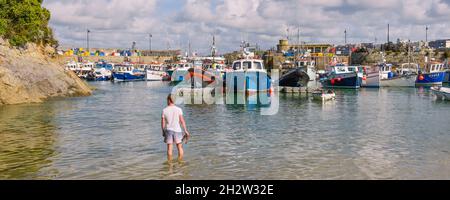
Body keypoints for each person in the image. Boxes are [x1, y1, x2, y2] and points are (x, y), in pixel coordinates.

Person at [161, 94, 190, 162]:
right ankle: (180, 162)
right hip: (177, 130)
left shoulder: (164, 110)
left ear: (168, 100)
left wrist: (163, 131)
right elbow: (182, 121)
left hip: (168, 130)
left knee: (169, 149)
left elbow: (163, 123)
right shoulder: (179, 109)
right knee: (179, 147)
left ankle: (170, 165)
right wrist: (185, 130)